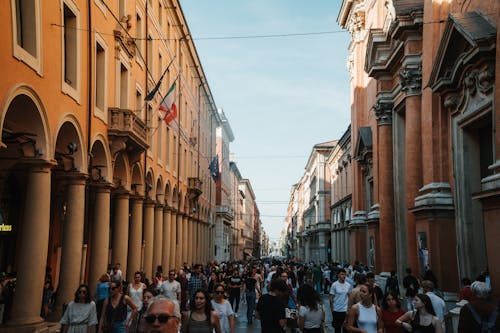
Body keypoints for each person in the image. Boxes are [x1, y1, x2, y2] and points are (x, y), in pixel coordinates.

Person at [330, 268, 352, 333]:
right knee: (337, 329)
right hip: (337, 310)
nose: (344, 276)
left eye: (345, 274)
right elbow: (331, 298)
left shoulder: (348, 285)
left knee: (346, 329)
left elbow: (349, 297)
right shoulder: (334, 285)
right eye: (342, 274)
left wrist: (349, 309)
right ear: (338, 275)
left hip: (345, 311)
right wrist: (332, 310)